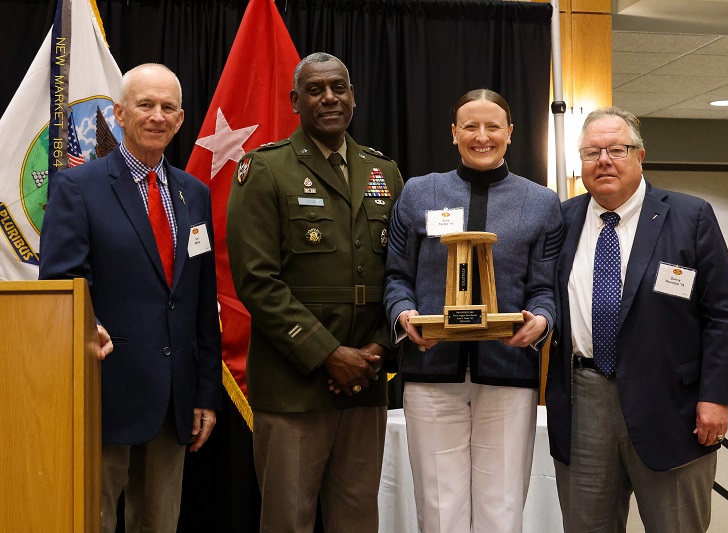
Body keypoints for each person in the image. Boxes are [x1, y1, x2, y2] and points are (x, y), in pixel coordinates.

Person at [39, 63, 222, 533]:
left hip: (175, 401)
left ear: (181, 119)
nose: (157, 116)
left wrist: (206, 393)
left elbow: (202, 301)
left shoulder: (194, 194)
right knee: (90, 522)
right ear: (120, 113)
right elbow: (62, 285)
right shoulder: (78, 187)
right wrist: (87, 327)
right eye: (145, 105)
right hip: (104, 392)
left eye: (168, 107)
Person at [226, 52, 403, 533]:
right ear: (295, 101)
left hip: (366, 382)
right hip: (293, 388)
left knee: (358, 521)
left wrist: (378, 350)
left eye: (339, 87)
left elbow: (400, 274)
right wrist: (328, 354)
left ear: (353, 96)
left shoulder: (382, 172)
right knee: (288, 521)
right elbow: (257, 282)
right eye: (316, 89)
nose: (330, 98)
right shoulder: (265, 170)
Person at [546, 106, 728, 532]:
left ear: (640, 155)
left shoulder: (690, 217)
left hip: (672, 404)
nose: (603, 160)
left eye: (616, 149)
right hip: (583, 400)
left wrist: (717, 397)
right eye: (591, 152)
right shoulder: (561, 220)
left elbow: (723, 314)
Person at [384, 89, 563, 532]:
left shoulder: (541, 202)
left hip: (508, 375)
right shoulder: (418, 193)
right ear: (453, 133)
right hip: (431, 374)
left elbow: (545, 288)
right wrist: (405, 316)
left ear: (510, 133)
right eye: (470, 126)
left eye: (492, 127)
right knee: (439, 511)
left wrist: (540, 321)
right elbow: (396, 279)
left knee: (501, 511)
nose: (481, 137)